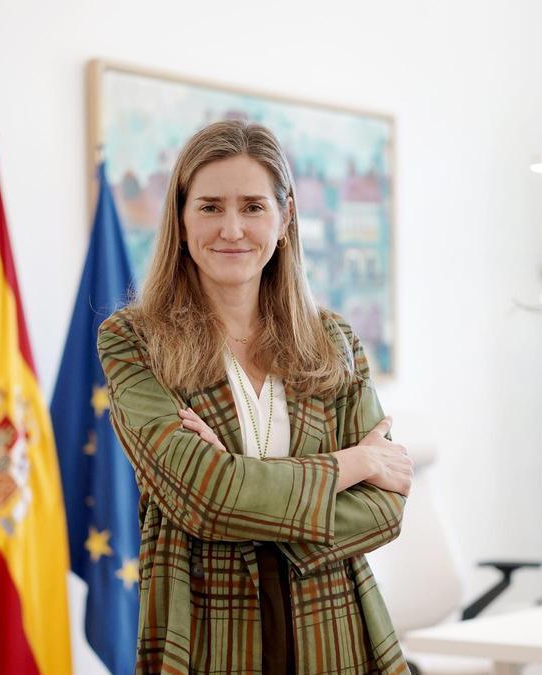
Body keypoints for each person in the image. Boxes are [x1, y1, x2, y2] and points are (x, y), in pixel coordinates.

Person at [98, 120, 412, 674]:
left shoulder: (333, 340)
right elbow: (207, 497)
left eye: (252, 207)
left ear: (284, 219)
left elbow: (384, 510)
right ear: (181, 218)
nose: (232, 228)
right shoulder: (134, 340)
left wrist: (239, 493)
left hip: (337, 633)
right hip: (204, 636)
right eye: (210, 207)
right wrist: (355, 463)